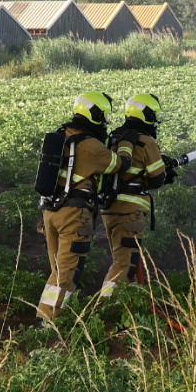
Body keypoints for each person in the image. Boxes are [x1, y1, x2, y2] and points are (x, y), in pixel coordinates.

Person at [37, 90, 132, 320]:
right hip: (73, 215)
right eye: (103, 116)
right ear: (95, 115)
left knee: (58, 269)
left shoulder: (62, 135)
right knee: (67, 272)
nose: (105, 122)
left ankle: (52, 316)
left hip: (51, 211)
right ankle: (50, 322)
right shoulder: (91, 145)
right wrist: (126, 143)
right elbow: (119, 164)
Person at [99, 91, 179, 297]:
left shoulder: (115, 137)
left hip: (109, 210)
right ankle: (106, 307)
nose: (155, 120)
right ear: (146, 115)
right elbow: (157, 178)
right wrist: (166, 172)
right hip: (130, 212)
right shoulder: (145, 140)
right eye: (153, 115)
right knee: (125, 265)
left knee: (122, 261)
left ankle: (124, 303)